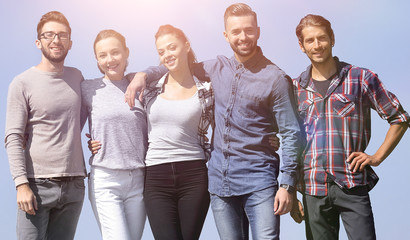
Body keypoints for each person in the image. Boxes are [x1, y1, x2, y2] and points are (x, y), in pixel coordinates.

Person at [125, 3, 302, 239]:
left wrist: (287, 184)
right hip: (221, 183)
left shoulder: (276, 78)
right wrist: (142, 75)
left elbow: (291, 133)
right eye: (236, 31)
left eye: (248, 30)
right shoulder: (215, 68)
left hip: (260, 180)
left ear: (258, 31)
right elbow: (174, 62)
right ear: (225, 35)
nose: (243, 37)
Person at [89, 24, 214, 240]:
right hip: (154, 175)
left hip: (192, 173)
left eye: (171, 47)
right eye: (161, 51)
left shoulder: (206, 88)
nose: (166, 54)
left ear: (186, 45)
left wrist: (265, 135)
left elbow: (225, 123)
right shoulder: (149, 87)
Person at [292, 14, 409, 240]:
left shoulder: (361, 78)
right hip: (312, 188)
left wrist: (376, 157)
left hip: (351, 182)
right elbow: (291, 140)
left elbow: (400, 118)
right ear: (301, 46)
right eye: (310, 40)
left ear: (332, 39)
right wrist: (291, 190)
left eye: (322, 38)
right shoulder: (295, 88)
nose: (317, 45)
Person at [4, 11, 86, 240]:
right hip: (37, 186)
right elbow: (13, 136)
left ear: (70, 42)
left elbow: (77, 121)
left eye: (62, 35)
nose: (56, 40)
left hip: (74, 185)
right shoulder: (22, 83)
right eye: (49, 35)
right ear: (38, 42)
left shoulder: (76, 76)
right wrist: (21, 184)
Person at [81, 30, 147, 240]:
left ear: (126, 52)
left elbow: (166, 67)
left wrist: (143, 75)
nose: (110, 60)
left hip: (139, 180)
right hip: (105, 179)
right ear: (97, 59)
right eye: (103, 55)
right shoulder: (88, 88)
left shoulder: (143, 86)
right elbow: (67, 121)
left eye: (115, 52)